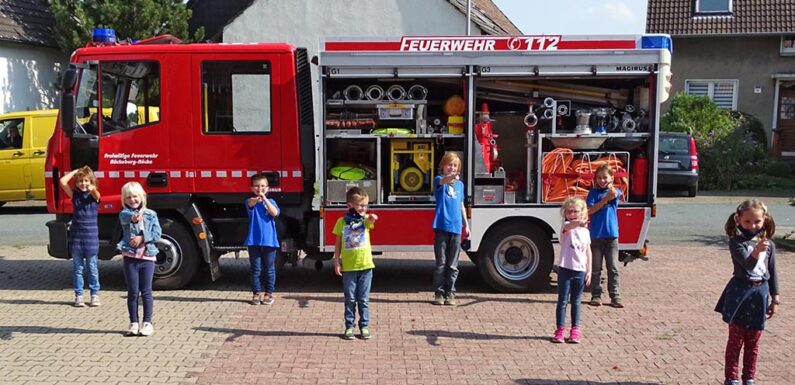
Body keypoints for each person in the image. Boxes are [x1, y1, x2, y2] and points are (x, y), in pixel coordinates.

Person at [715, 199, 779, 385]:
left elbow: (772, 273)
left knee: (754, 341)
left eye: (757, 221)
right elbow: (747, 264)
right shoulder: (736, 242)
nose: (752, 226)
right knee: (736, 341)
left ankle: (749, 377)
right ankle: (731, 378)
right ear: (738, 220)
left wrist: (775, 299)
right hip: (740, 294)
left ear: (764, 220)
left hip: (760, 294)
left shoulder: (769, 245)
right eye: (747, 222)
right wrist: (756, 251)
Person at [332, 187, 378, 340]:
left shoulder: (364, 221)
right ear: (349, 205)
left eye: (365, 205)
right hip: (349, 267)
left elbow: (371, 220)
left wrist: (372, 217)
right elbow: (338, 244)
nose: (363, 208)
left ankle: (364, 326)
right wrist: (336, 261)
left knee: (363, 299)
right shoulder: (341, 222)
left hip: (365, 266)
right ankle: (349, 326)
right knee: (350, 299)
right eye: (359, 205)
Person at [117, 181, 161, 337]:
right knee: (133, 292)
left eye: (135, 196)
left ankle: (147, 323)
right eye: (128, 197)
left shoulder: (151, 214)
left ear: (142, 197)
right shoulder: (124, 214)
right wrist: (134, 219)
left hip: (147, 257)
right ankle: (133, 322)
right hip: (130, 257)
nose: (132, 200)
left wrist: (143, 237)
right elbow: (128, 218)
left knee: (146, 292)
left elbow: (157, 234)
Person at [59, 166, 101, 307]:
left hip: (91, 237)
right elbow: (63, 182)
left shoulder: (93, 196)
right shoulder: (75, 196)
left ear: (91, 182)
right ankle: (79, 295)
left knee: (92, 267)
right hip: (77, 236)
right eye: (80, 181)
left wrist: (92, 188)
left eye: (86, 181)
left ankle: (94, 294)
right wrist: (75, 171)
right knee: (78, 269)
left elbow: (97, 195)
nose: (83, 183)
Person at [552, 197, 592, 344]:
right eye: (570, 211)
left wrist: (589, 270)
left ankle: (575, 330)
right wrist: (577, 222)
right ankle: (559, 330)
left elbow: (588, 251)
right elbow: (569, 226)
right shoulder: (566, 226)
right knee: (562, 301)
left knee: (576, 301)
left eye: (576, 211)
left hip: (580, 271)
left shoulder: (585, 232)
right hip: (565, 269)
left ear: (582, 212)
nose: (573, 214)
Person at [431, 152, 469, 306]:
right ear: (443, 166)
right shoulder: (440, 180)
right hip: (441, 227)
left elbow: (461, 205)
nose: (452, 168)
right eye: (449, 165)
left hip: (456, 228)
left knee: (453, 265)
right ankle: (439, 293)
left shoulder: (460, 185)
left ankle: (451, 293)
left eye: (455, 165)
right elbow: (443, 182)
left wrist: (466, 225)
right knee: (441, 263)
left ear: (458, 168)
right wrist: (451, 178)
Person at [586, 164, 623, 308]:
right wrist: (604, 200)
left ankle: (615, 296)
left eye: (605, 177)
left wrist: (609, 193)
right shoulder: (593, 194)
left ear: (611, 178)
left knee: (613, 267)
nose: (602, 180)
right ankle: (596, 294)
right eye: (599, 178)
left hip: (611, 236)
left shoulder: (615, 192)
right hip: (596, 235)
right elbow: (590, 211)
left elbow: (615, 194)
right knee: (596, 268)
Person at [244, 173, 280, 305]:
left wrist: (264, 199)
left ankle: (269, 293)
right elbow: (251, 204)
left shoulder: (272, 202)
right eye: (257, 186)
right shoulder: (250, 201)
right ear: (252, 188)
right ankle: (256, 293)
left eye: (263, 186)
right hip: (253, 241)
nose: (260, 188)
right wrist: (258, 198)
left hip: (269, 241)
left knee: (269, 269)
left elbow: (274, 213)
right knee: (256, 269)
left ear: (268, 188)